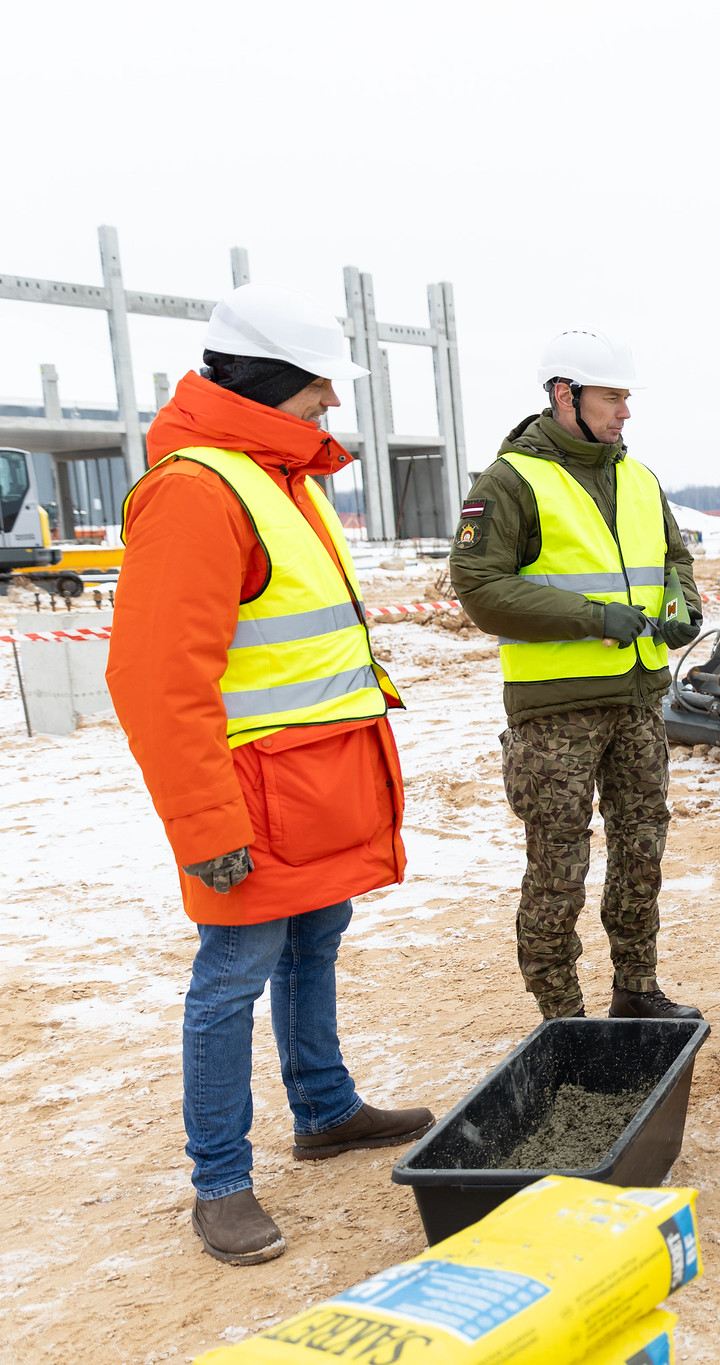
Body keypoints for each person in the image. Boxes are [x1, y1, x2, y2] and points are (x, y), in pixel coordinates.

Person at [107, 282, 432, 1266]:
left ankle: (325, 1108)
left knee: (314, 946)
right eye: (320, 385)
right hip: (251, 802)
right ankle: (220, 1181)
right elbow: (156, 681)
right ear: (267, 382)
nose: (332, 403)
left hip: (314, 791)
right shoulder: (200, 491)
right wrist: (204, 827)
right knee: (230, 981)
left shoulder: (287, 480)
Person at [451, 329, 703, 1022]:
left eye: (626, 397)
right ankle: (561, 1017)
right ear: (566, 396)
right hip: (554, 714)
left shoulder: (640, 478)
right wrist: (591, 616)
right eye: (613, 396)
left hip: (638, 702)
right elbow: (478, 586)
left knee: (641, 848)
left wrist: (683, 602)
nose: (626, 411)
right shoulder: (510, 481)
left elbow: (675, 560)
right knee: (558, 867)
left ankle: (637, 989)